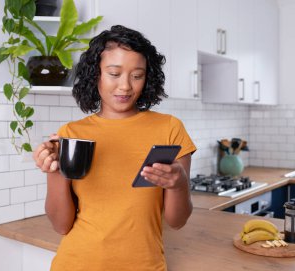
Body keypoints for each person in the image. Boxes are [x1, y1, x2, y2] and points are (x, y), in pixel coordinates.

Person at [33, 25, 196, 271]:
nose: (125, 86)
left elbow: (177, 220)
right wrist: (54, 170)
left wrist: (179, 183)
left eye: (137, 75)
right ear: (95, 74)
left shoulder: (169, 129)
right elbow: (61, 226)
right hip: (76, 263)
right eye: (114, 73)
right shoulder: (71, 134)